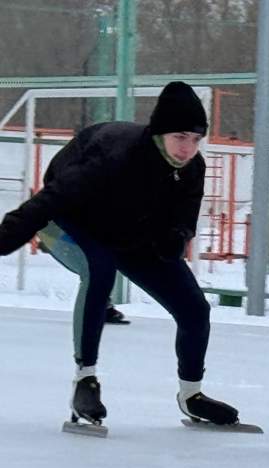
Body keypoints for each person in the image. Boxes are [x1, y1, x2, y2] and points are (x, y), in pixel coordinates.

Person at [0, 81, 241, 428]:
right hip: (67, 220)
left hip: (133, 232)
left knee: (194, 308)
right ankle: (85, 380)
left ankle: (191, 395)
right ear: (160, 133)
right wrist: (8, 236)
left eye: (196, 139)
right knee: (100, 271)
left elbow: (186, 213)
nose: (188, 149)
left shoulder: (192, 167)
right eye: (180, 137)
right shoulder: (114, 156)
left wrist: (178, 236)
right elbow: (50, 200)